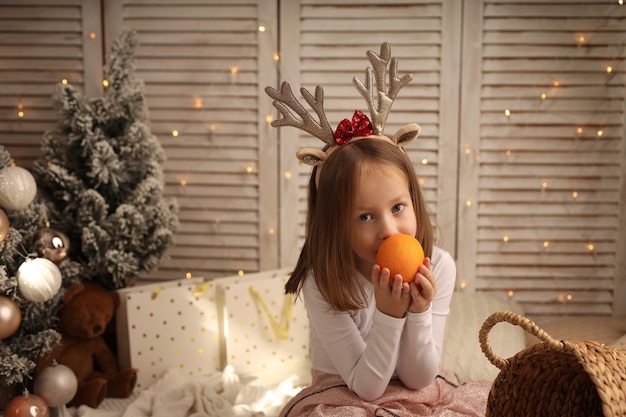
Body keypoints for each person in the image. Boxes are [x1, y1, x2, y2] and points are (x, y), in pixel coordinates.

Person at [266, 43, 490, 417]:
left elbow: (418, 379)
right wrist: (389, 315)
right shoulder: (323, 281)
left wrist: (417, 313)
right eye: (365, 217)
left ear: (414, 202)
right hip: (343, 394)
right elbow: (366, 388)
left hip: (417, 391)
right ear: (336, 225)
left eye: (398, 208)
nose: (389, 230)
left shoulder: (439, 266)